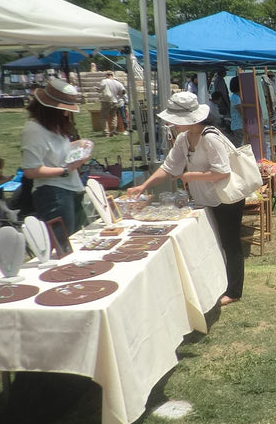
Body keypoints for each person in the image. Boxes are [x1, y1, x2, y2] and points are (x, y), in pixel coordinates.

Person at [126, 92, 243, 306]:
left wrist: (191, 176)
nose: (174, 124)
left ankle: (234, 290)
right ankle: (217, 283)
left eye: (177, 120)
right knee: (212, 243)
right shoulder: (182, 139)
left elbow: (222, 172)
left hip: (226, 199)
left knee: (230, 244)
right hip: (205, 198)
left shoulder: (210, 137)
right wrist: (144, 185)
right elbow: (169, 167)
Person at [21, 78, 89, 234]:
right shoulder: (33, 130)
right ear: (49, 109)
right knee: (63, 244)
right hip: (53, 193)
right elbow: (31, 170)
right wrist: (66, 169)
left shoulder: (54, 126)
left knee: (77, 239)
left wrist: (76, 146)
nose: (66, 113)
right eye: (64, 109)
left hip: (70, 189)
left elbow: (53, 152)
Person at [99, 71, 127, 137]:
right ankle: (113, 131)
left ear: (107, 75)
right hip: (115, 101)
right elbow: (123, 91)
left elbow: (100, 89)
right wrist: (119, 96)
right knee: (114, 116)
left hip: (106, 101)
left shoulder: (104, 81)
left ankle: (106, 132)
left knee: (103, 116)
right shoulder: (118, 83)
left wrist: (98, 90)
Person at [227, 76, 245, 146]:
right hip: (238, 126)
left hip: (238, 125)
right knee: (239, 146)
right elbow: (241, 112)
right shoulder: (236, 98)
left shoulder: (235, 96)